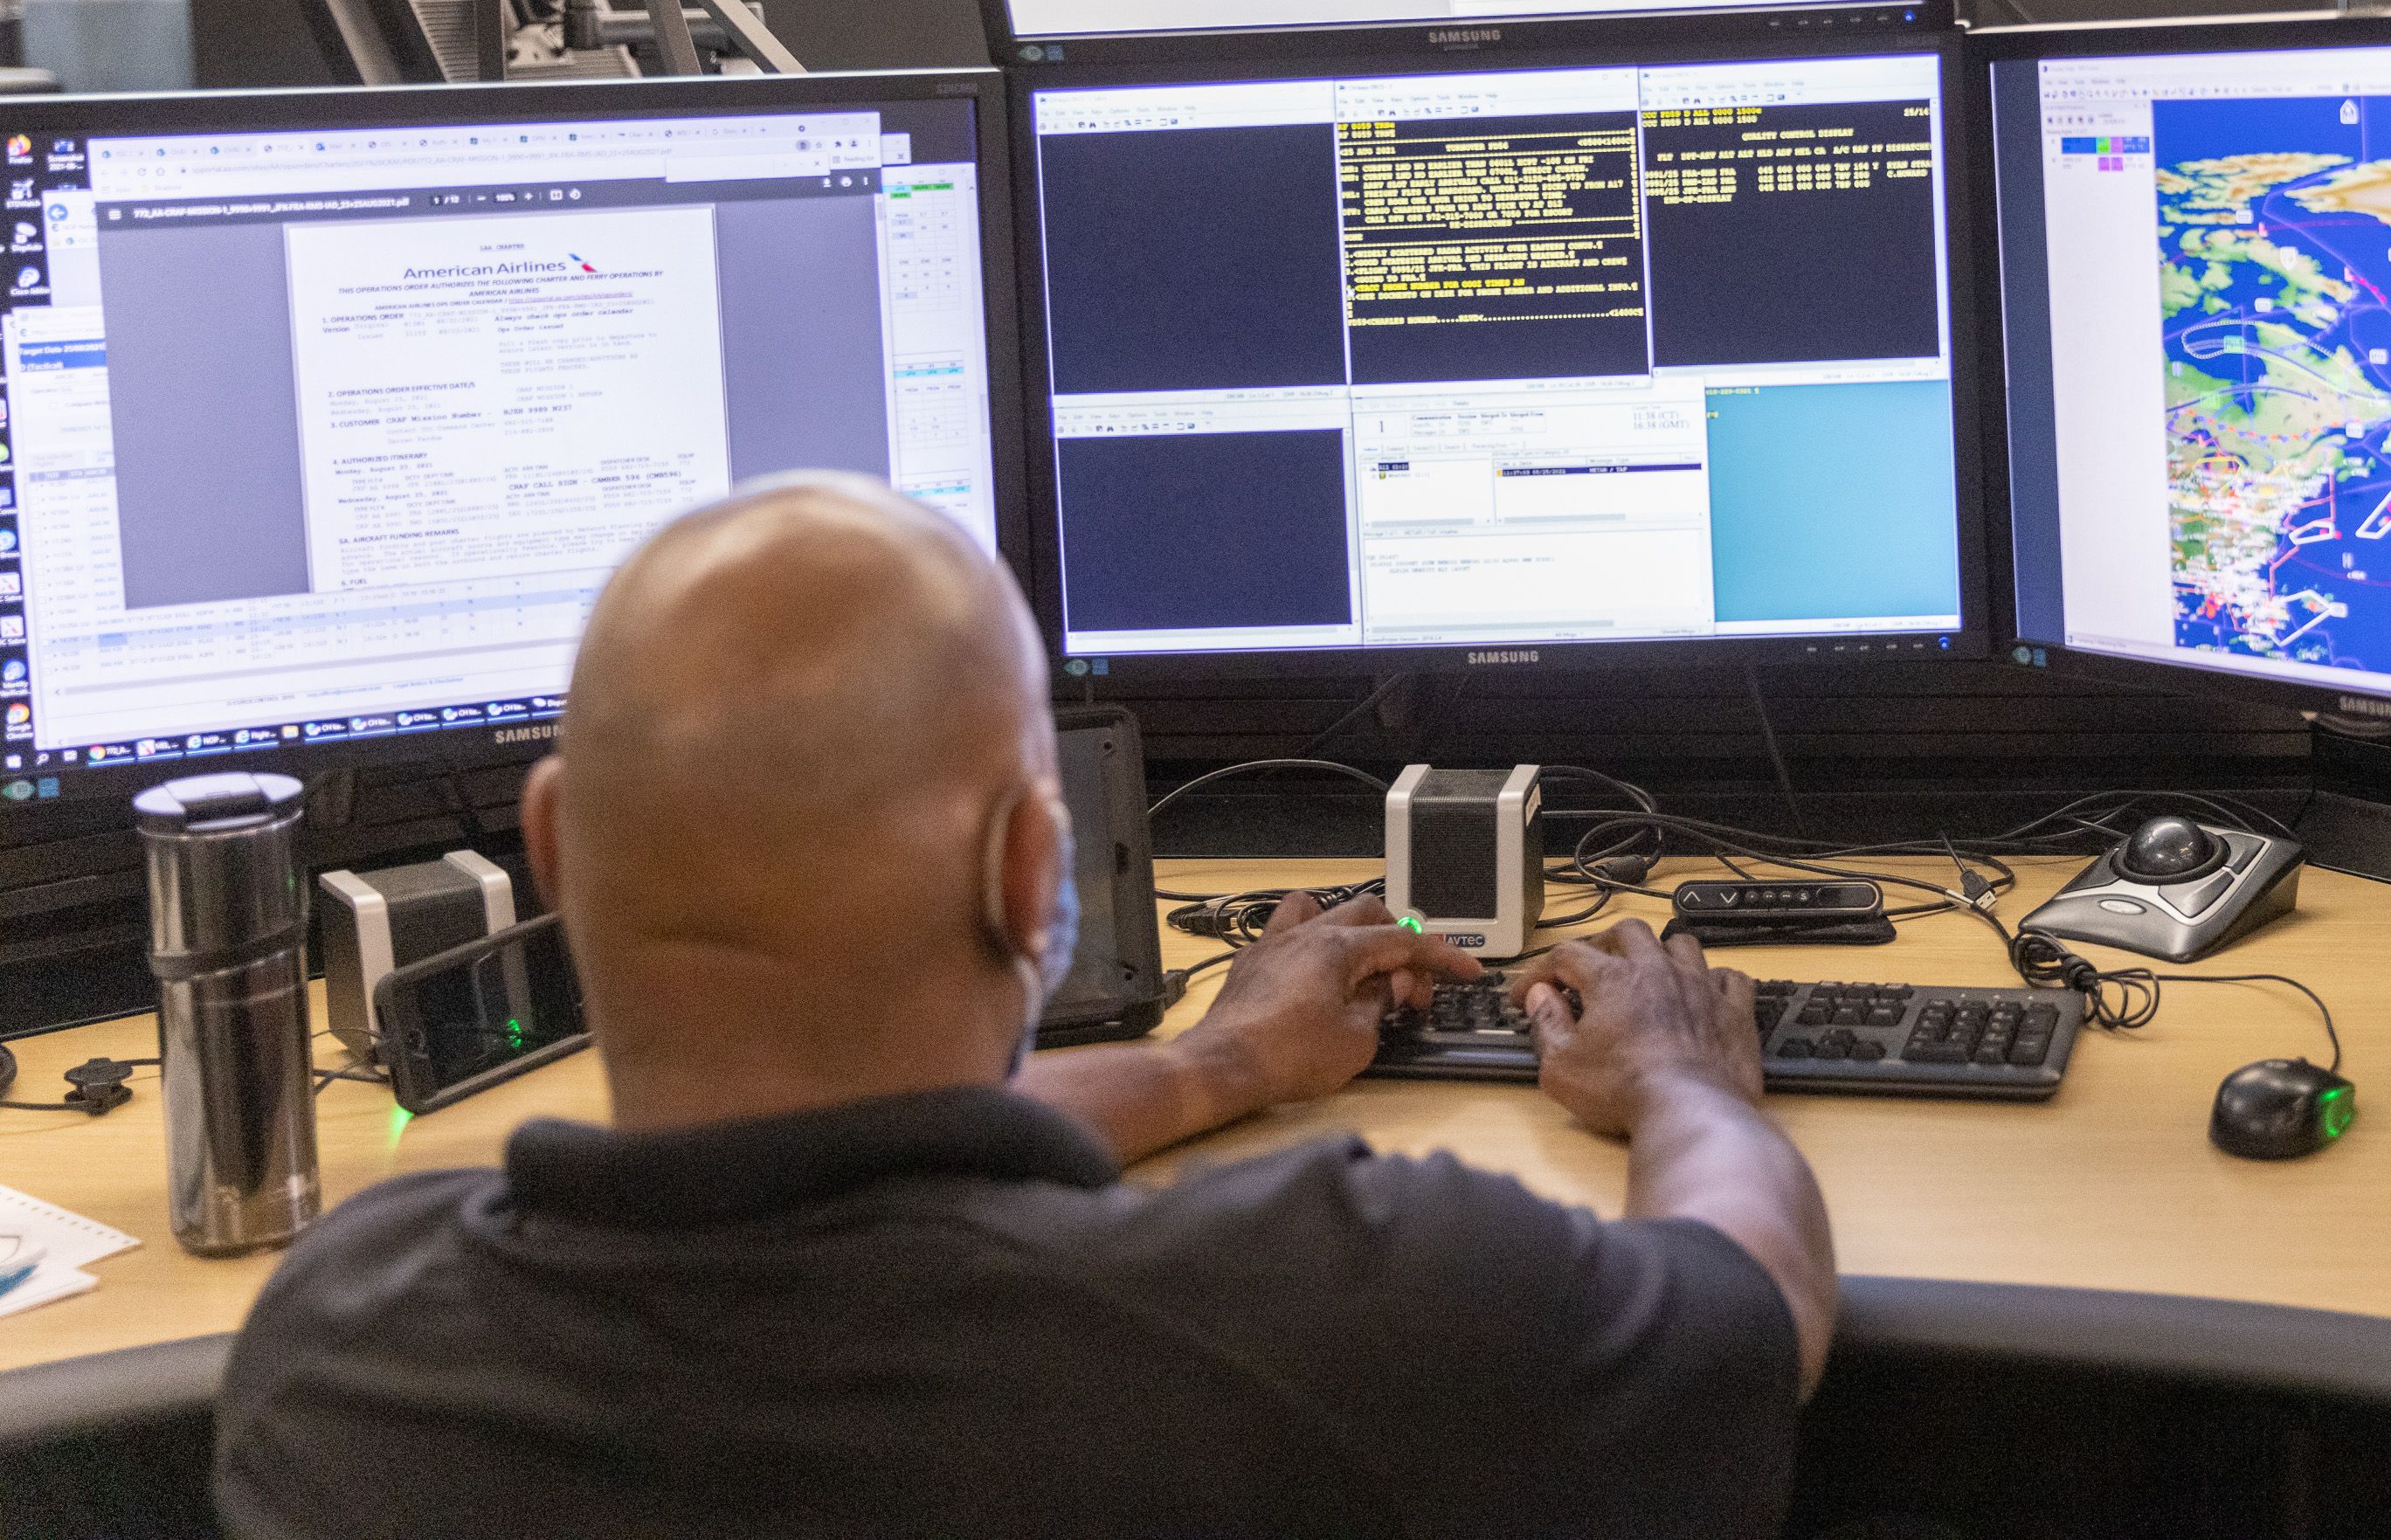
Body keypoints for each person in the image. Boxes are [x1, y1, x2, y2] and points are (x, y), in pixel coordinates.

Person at [217, 477, 1836, 1539]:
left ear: (555, 853)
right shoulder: (1349, 1311)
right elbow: (1754, 1317)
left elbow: (825, 1157)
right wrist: (1688, 1086)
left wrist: (1217, 1063)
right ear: (1030, 876)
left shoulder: (339, 1344)